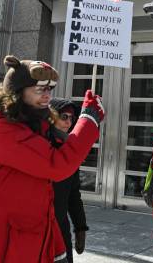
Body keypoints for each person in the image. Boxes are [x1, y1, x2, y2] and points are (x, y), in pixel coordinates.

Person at [0, 56, 104, 263]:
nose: (47, 96)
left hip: (20, 244)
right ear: (18, 92)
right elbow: (57, 165)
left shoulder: (32, 129)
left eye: (49, 89)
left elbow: (44, 203)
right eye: (39, 89)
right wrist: (88, 120)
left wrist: (57, 250)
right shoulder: (3, 131)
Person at [48, 98, 89, 263]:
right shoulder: (41, 145)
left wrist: (80, 227)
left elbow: (73, 195)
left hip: (60, 227)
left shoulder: (69, 150)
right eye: (64, 116)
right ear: (52, 116)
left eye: (71, 118)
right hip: (38, 226)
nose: (68, 122)